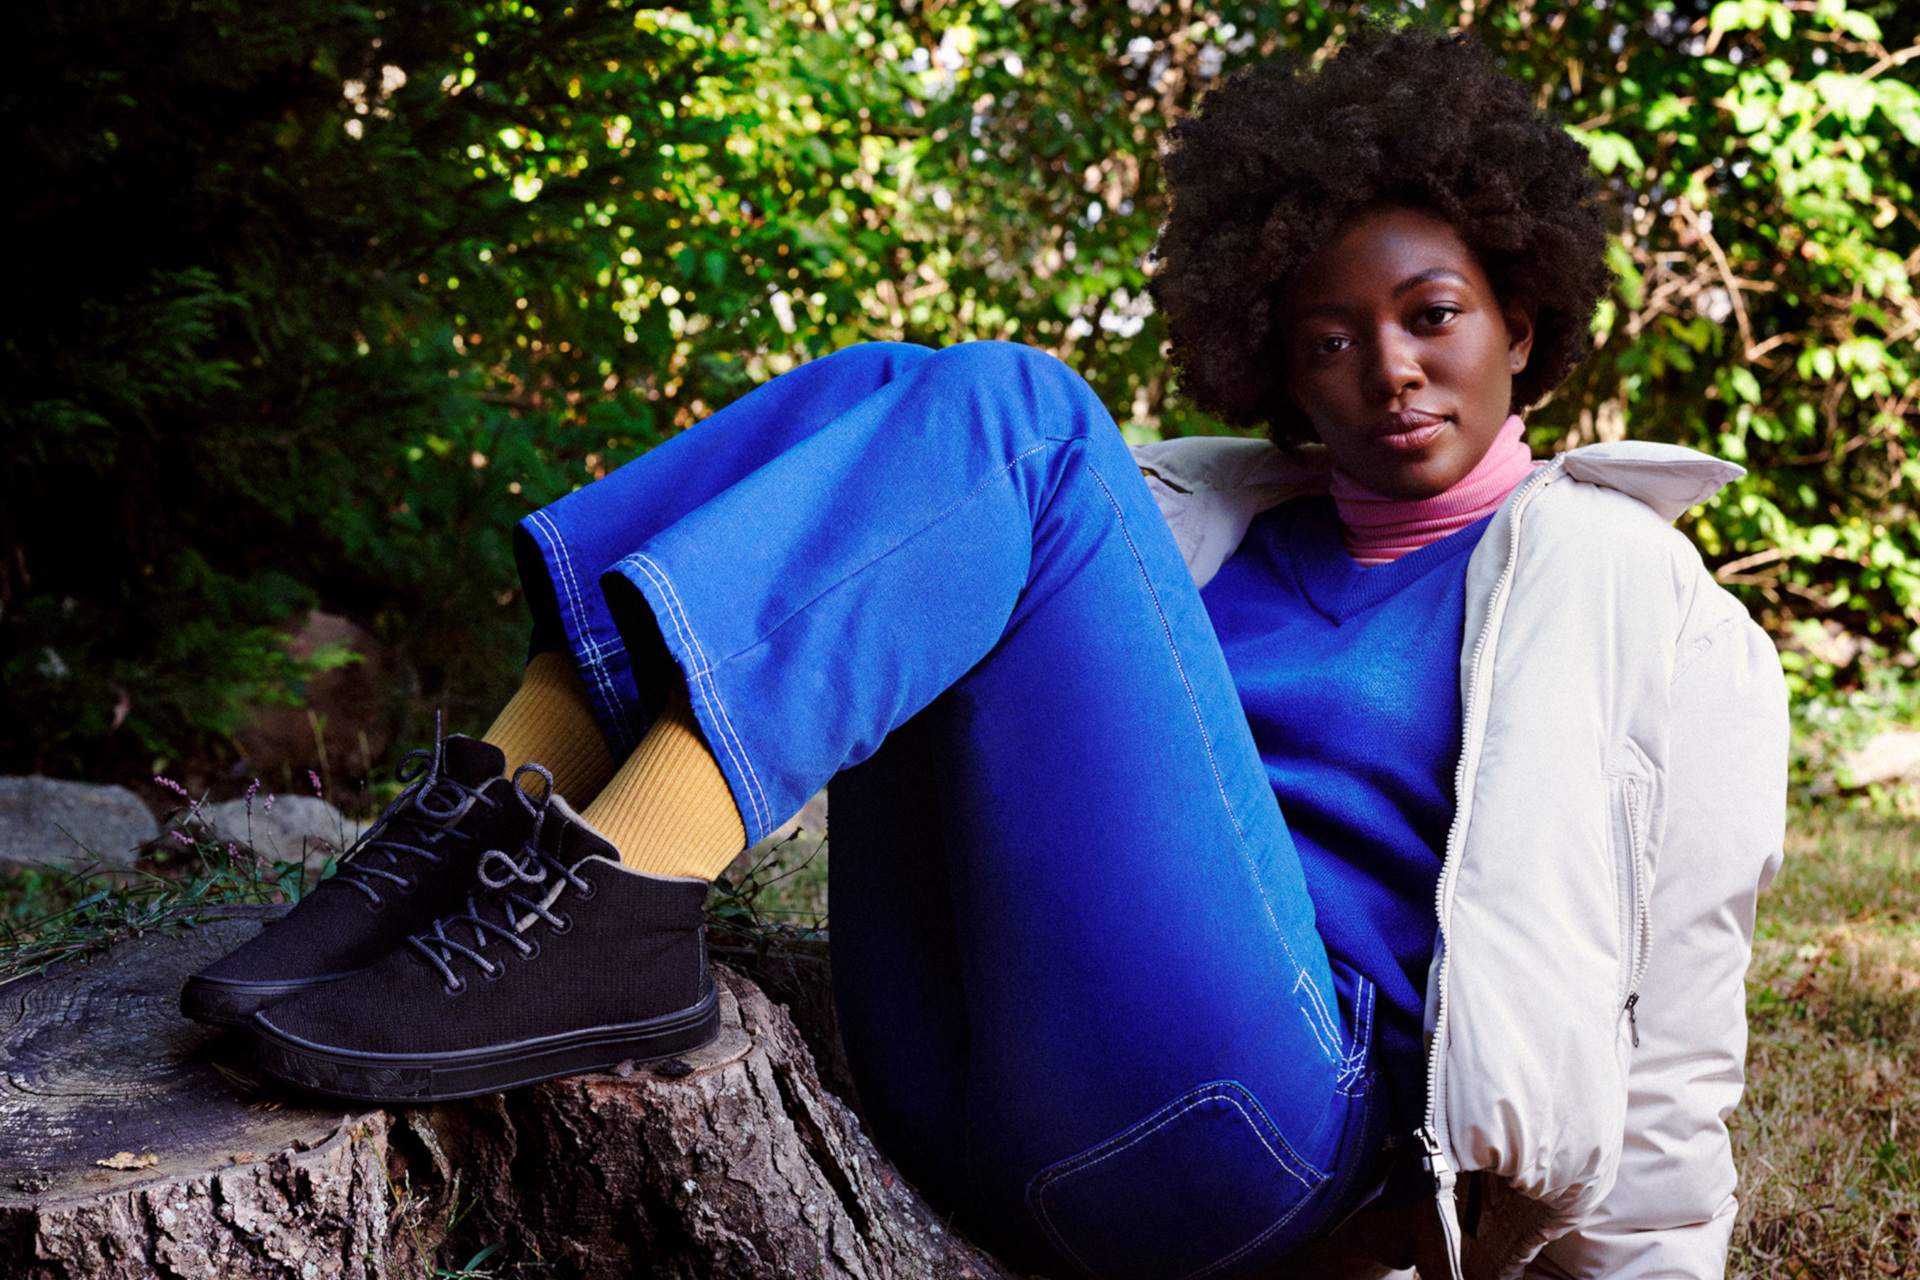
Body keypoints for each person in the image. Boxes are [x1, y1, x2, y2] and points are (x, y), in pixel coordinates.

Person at [183, 24, 1787, 1280]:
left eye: (1433, 314)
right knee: (897, 384)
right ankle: (484, 835)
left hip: (1250, 1136)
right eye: (1327, 338)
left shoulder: (1631, 594)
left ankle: (609, 902)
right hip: (953, 1074)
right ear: (1275, 366)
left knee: (1018, 412)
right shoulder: (1191, 528)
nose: (1388, 368)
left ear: (1522, 311)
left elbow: (1682, 1046)